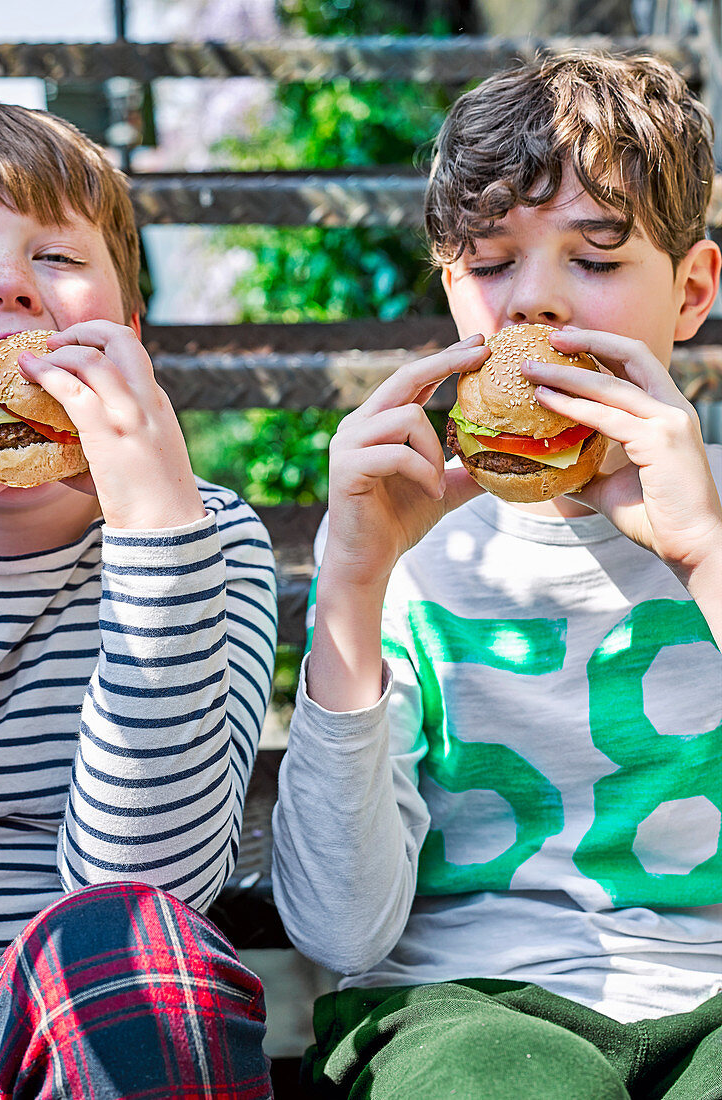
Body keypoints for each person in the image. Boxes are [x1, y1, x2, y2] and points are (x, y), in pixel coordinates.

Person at [272, 51, 722, 1098]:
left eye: (596, 260)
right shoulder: (407, 552)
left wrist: (702, 557)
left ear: (691, 289)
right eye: (490, 262)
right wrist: (350, 584)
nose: (534, 308)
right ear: (450, 286)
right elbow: (336, 922)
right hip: (454, 1003)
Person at [0, 101, 276, 1098]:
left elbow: (154, 889)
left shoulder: (206, 538)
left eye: (56, 256)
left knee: (135, 948)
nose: (7, 288)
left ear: (129, 334)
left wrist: (157, 536)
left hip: (81, 1026)